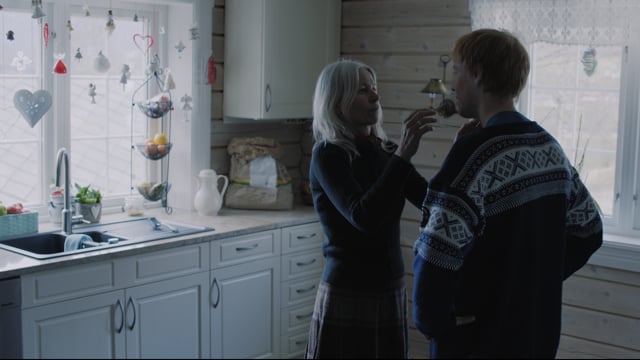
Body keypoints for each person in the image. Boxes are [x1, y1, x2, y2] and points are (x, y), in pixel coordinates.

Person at [412, 29, 604, 358]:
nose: (453, 83)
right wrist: (531, 285)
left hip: (475, 342)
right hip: (535, 336)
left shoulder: (474, 154)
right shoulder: (548, 146)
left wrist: (434, 324)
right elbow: (589, 229)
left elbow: (436, 256)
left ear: (476, 72)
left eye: (456, 70)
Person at [305, 58, 436, 359]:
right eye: (363, 90)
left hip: (389, 287)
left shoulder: (385, 151)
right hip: (348, 290)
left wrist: (460, 151)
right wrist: (402, 157)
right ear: (337, 101)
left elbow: (430, 200)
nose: (375, 96)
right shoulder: (328, 155)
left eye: (374, 88)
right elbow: (363, 216)